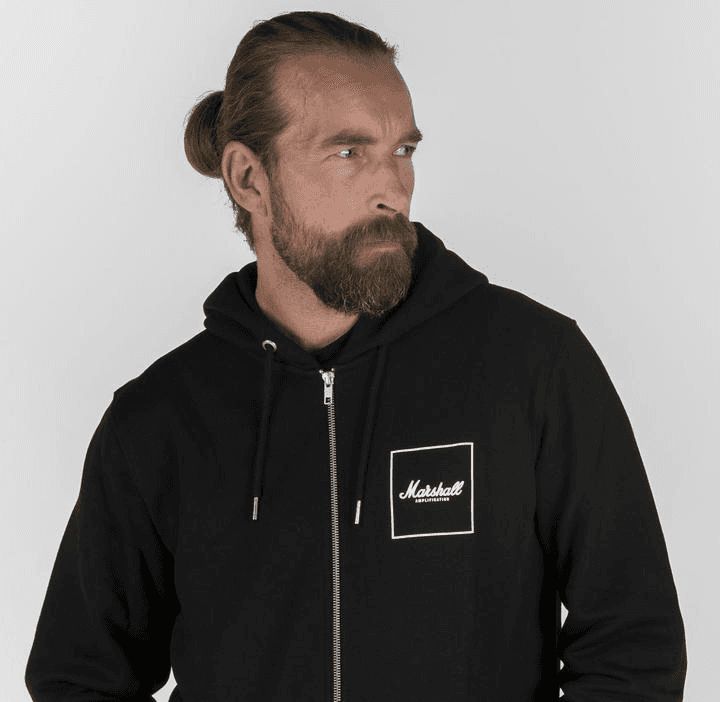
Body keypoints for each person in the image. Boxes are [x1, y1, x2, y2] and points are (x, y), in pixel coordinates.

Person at [25, 10, 687, 702]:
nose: (393, 188)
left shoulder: (533, 367)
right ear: (249, 178)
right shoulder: (160, 420)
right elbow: (81, 677)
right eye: (348, 152)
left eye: (403, 150)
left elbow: (633, 649)